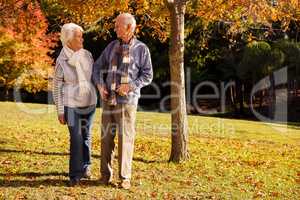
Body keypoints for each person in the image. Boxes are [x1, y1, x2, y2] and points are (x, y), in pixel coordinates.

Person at [92, 13, 153, 189]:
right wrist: (100, 85)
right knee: (106, 138)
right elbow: (97, 67)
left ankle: (124, 177)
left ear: (129, 27)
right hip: (108, 100)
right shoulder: (111, 46)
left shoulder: (142, 49)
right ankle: (105, 176)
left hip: (128, 102)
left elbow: (148, 75)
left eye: (118, 25)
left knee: (125, 138)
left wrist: (131, 86)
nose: (115, 28)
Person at [53, 23, 97, 186]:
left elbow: (94, 77)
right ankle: (75, 174)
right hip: (70, 105)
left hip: (89, 103)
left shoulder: (88, 55)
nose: (82, 39)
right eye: (78, 36)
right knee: (76, 138)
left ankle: (86, 166)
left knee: (86, 136)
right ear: (69, 39)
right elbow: (56, 86)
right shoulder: (61, 60)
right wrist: (59, 110)